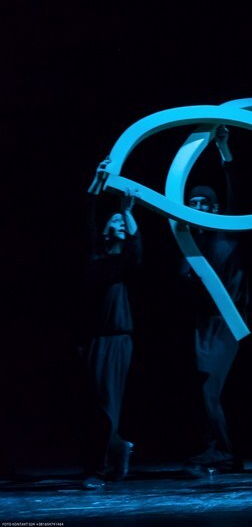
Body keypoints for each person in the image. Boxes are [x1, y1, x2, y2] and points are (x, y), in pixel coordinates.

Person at [182, 125, 249, 476]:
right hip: (203, 325)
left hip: (227, 322)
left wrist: (224, 151)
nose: (197, 209)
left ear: (215, 208)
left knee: (210, 388)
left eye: (203, 204)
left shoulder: (227, 230)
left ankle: (220, 453)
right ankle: (220, 452)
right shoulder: (189, 244)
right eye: (192, 204)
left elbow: (236, 189)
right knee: (204, 391)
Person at [80, 157, 141, 489]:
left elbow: (136, 250)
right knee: (94, 404)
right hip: (93, 340)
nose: (118, 222)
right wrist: (98, 180)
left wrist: (127, 211)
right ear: (105, 230)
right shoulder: (95, 258)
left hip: (118, 339)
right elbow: (87, 217)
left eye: (122, 221)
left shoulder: (124, 263)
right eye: (114, 219)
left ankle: (99, 468)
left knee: (108, 404)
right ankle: (118, 449)